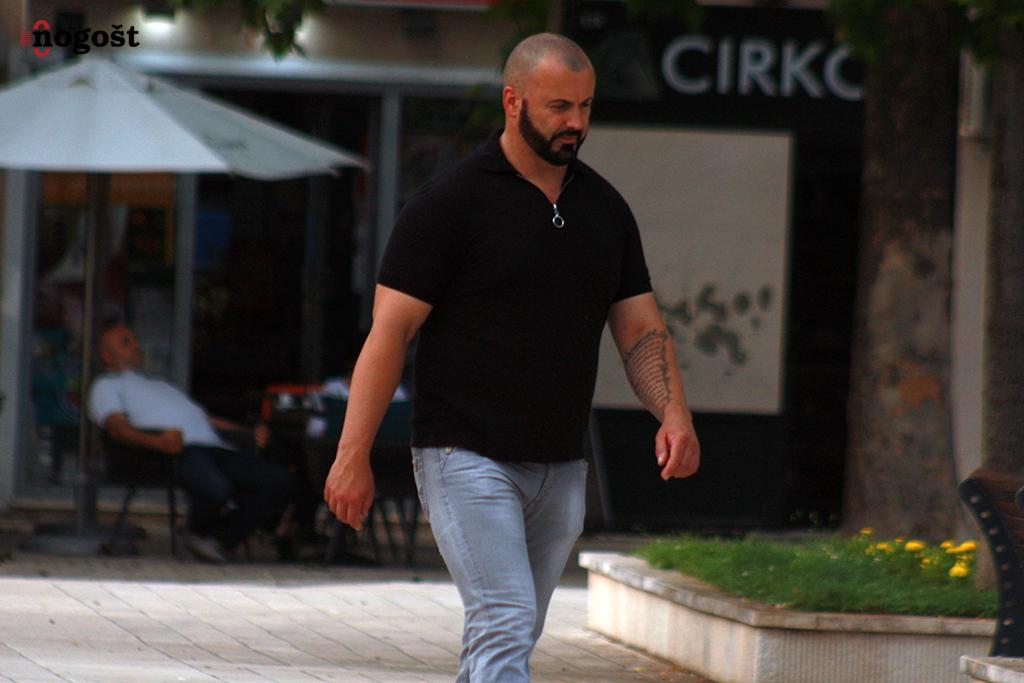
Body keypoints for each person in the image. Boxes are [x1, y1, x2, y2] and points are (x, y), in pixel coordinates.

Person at [324, 32, 700, 682]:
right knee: (505, 617)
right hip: (463, 454)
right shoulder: (449, 204)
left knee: (508, 635)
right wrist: (351, 453)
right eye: (559, 106)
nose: (575, 122)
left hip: (560, 464)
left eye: (585, 106)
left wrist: (674, 413)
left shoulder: (605, 208)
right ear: (513, 101)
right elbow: (389, 333)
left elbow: (640, 330)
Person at [88, 324, 295, 563]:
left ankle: (218, 539)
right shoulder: (106, 386)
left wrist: (248, 433)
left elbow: (204, 419)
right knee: (217, 487)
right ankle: (200, 533)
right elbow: (117, 428)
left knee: (280, 482)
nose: (136, 345)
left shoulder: (160, 385)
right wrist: (157, 441)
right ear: (107, 356)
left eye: (134, 340)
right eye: (126, 342)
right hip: (167, 453)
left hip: (213, 448)